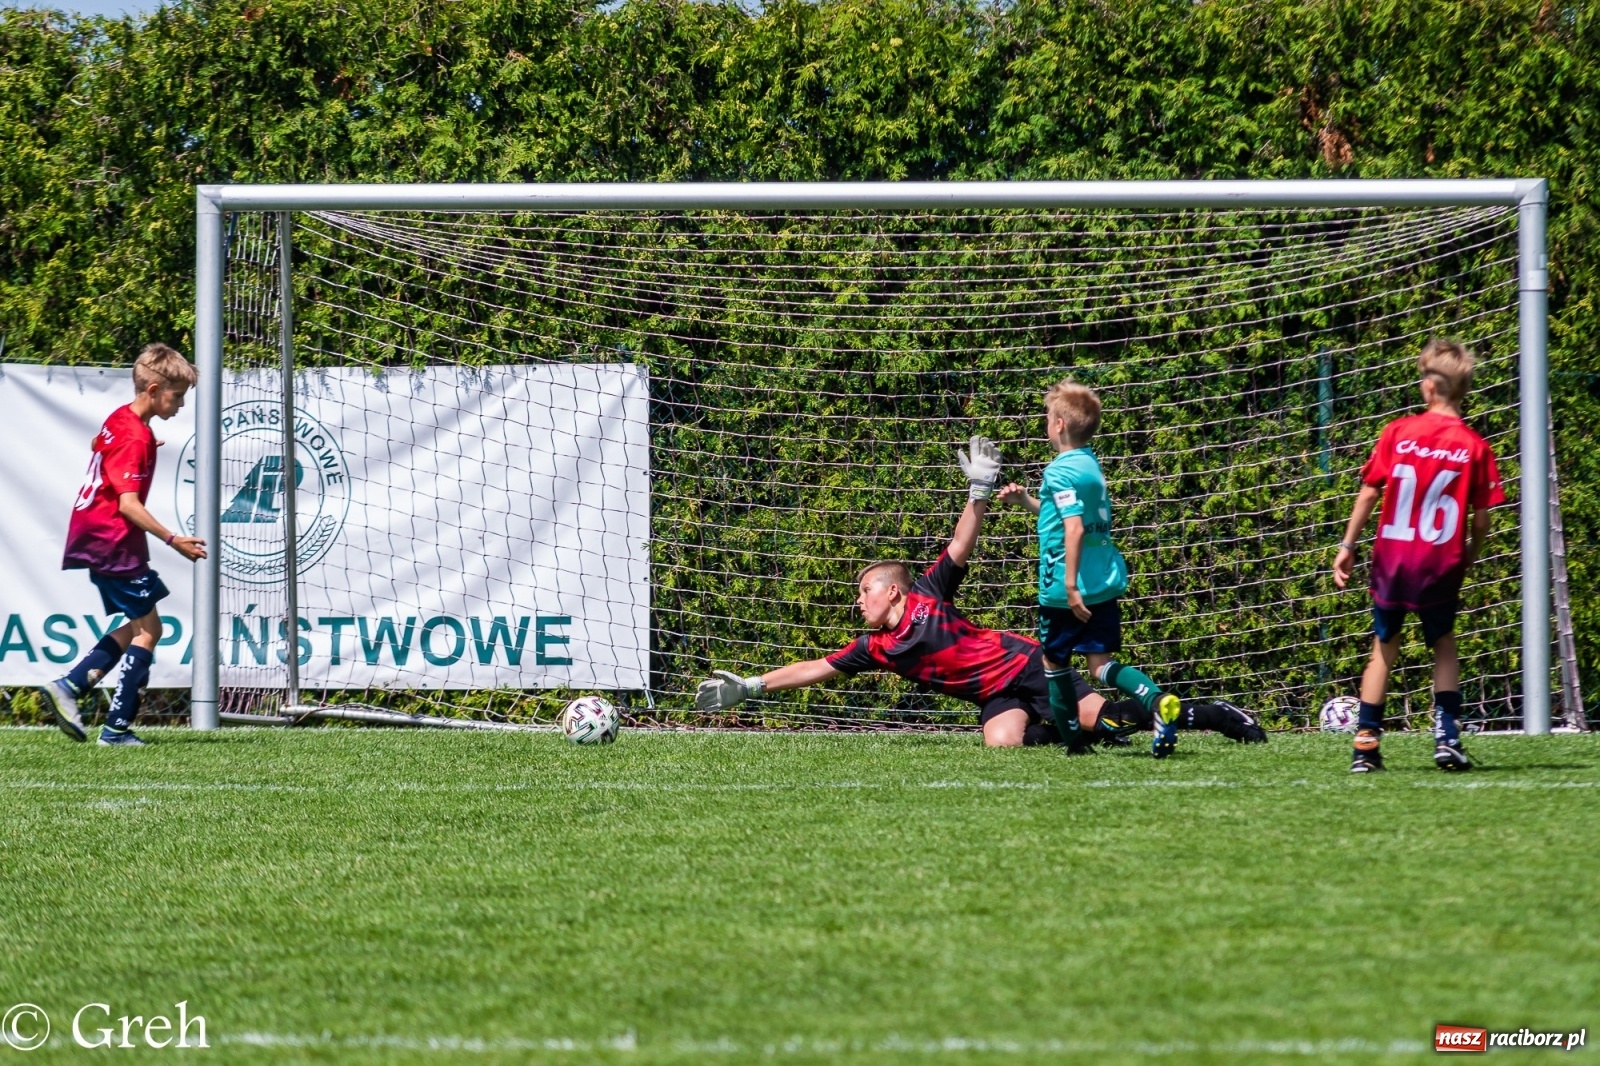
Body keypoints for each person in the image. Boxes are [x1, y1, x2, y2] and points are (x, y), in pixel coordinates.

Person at [694, 436, 1267, 749]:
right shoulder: (876, 649)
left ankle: (1210, 714)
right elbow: (816, 667)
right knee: (1002, 745)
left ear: (894, 592)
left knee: (1112, 722)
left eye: (866, 591)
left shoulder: (927, 592)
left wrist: (979, 492)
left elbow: (960, 545)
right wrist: (752, 685)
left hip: (1025, 667)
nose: (859, 601)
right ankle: (1074, 728)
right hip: (996, 697)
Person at [1332, 339, 1504, 773]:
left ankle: (1366, 745)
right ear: (1462, 390)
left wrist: (1348, 546)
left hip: (1392, 560)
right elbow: (1481, 522)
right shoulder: (1475, 446)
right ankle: (1447, 737)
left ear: (1429, 387)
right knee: (1443, 643)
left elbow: (1370, 492)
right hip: (1439, 561)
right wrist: (1468, 555)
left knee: (1382, 649)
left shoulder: (1399, 431)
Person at [999, 380, 1182, 758]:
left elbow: (1074, 527)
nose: (1047, 424)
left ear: (1060, 425)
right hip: (1103, 581)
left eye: (1049, 418)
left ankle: (1074, 744)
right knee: (1101, 665)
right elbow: (1062, 514)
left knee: (1054, 661)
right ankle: (1156, 697)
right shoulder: (1090, 466)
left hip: (1067, 589)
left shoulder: (1059, 471)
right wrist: (1025, 501)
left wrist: (1069, 585)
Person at [37, 344, 208, 746]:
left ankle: (74, 684)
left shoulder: (123, 421)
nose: (181, 405)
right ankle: (111, 724)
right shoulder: (135, 437)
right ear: (152, 389)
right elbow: (128, 505)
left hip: (96, 536)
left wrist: (144, 447)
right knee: (150, 630)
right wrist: (173, 539)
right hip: (112, 539)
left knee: (138, 626)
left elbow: (103, 448)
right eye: (177, 396)